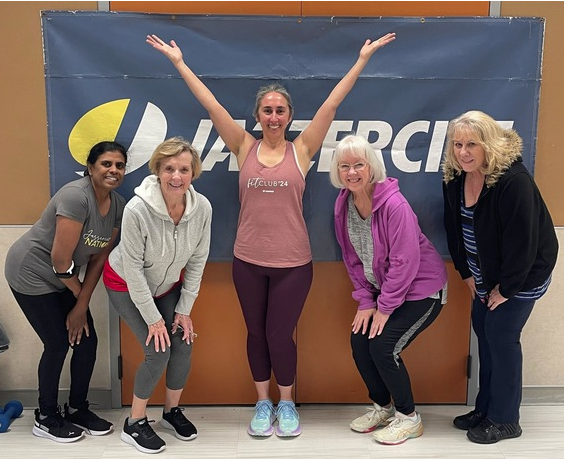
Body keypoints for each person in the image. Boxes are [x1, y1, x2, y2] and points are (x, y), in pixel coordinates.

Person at [146, 31, 396, 438]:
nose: (274, 116)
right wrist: (179, 63)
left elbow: (332, 104)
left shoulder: (302, 150)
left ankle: (286, 403)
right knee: (257, 333)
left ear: (290, 116)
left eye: (280, 110)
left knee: (281, 335)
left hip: (293, 265)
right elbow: (210, 105)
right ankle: (263, 403)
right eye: (267, 110)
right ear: (258, 116)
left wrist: (362, 60)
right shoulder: (244, 147)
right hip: (247, 262)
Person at [442, 110, 558, 444]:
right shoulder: (454, 175)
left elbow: (524, 242)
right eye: (458, 144)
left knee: (501, 337)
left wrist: (506, 288)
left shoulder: (512, 180)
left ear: (488, 145)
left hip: (521, 276)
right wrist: (466, 273)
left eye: (472, 144)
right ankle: (486, 409)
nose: (463, 152)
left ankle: (507, 419)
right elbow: (453, 227)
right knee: (484, 331)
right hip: (485, 276)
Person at [4, 141, 127, 442]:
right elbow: (60, 260)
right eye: (106, 164)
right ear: (90, 167)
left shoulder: (118, 206)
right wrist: (78, 300)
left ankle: (77, 408)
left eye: (119, 165)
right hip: (31, 272)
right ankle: (45, 416)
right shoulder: (75, 197)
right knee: (57, 343)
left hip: (64, 278)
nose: (113, 170)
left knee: (86, 339)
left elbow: (99, 259)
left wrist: (81, 304)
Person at [329, 134, 447, 445]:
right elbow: (352, 258)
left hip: (423, 291)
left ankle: (409, 418)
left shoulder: (395, 205)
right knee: (360, 341)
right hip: (385, 293)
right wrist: (366, 301)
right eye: (344, 166)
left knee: (383, 347)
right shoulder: (344, 203)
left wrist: (385, 307)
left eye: (359, 165)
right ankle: (383, 407)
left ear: (372, 167)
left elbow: (405, 261)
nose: (352, 172)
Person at [103, 137, 211, 454]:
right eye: (169, 169)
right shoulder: (138, 210)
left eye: (183, 169)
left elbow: (197, 261)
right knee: (158, 349)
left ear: (193, 173)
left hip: (166, 286)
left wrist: (184, 310)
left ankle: (170, 413)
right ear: (157, 170)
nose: (176, 177)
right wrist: (153, 320)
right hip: (125, 283)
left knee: (182, 341)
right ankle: (135, 423)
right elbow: (134, 271)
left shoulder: (202, 208)